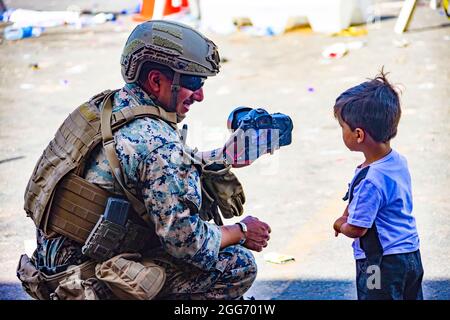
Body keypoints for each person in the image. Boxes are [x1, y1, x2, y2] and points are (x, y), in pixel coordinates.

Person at [19, 20, 272, 300]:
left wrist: (218, 159)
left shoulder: (106, 106)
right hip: (85, 281)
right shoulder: (158, 146)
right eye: (193, 82)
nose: (200, 95)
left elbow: (141, 166)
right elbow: (190, 245)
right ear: (155, 80)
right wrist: (242, 230)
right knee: (236, 265)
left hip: (52, 266)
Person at [332, 70, 424, 300]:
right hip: (411, 255)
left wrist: (340, 224)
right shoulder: (396, 161)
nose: (342, 132)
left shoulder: (370, 181)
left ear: (359, 134)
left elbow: (358, 228)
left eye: (342, 127)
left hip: (379, 265)